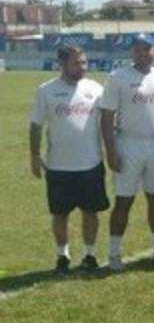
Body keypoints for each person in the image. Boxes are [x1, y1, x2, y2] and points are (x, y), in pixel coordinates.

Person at [98, 33, 154, 270]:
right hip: (128, 143)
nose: (142, 53)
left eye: (147, 48)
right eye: (137, 49)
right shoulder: (117, 78)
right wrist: (111, 150)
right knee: (124, 200)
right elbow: (107, 116)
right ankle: (113, 253)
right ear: (131, 52)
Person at [29, 45, 109, 273]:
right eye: (76, 63)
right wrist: (34, 156)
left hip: (91, 164)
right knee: (60, 213)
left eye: (84, 62)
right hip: (58, 166)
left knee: (90, 211)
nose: (82, 67)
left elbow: (107, 122)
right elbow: (36, 125)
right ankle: (62, 254)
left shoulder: (95, 88)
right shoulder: (46, 91)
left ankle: (89, 254)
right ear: (61, 64)